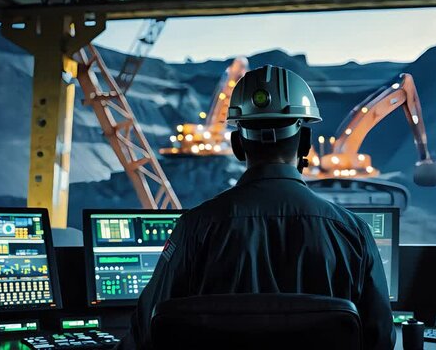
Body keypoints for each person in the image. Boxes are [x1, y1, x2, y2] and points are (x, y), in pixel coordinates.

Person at [119, 65, 395, 349]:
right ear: (305, 143)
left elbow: (146, 332)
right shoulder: (352, 233)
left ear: (238, 145)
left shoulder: (195, 228)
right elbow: (380, 340)